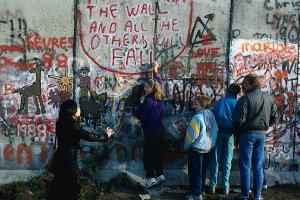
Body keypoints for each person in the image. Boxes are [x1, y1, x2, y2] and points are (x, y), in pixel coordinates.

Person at [48, 100, 114, 200]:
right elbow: (89, 136)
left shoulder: (61, 122)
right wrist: (105, 136)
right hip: (69, 160)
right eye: (77, 107)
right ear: (72, 111)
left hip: (61, 156)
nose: (79, 108)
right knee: (72, 185)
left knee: (60, 183)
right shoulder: (72, 127)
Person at [232, 74, 277, 200]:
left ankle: (245, 195)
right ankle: (258, 196)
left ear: (253, 84)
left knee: (245, 165)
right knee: (258, 166)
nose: (242, 85)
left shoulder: (245, 99)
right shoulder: (269, 98)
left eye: (245, 83)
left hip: (247, 135)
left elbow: (237, 120)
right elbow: (274, 117)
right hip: (261, 135)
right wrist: (265, 126)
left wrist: (238, 133)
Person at [132, 61, 165, 189]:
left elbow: (138, 113)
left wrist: (139, 103)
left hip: (150, 131)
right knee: (157, 152)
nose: (144, 88)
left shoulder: (147, 101)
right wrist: (155, 69)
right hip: (159, 130)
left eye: (146, 87)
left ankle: (151, 178)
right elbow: (158, 80)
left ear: (151, 88)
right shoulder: (159, 96)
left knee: (148, 155)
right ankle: (160, 174)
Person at [183, 95, 218, 200]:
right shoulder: (211, 115)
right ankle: (201, 191)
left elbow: (191, 136)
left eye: (196, 104)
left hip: (197, 150)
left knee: (195, 173)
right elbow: (216, 130)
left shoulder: (197, 118)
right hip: (207, 149)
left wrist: (185, 147)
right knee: (202, 172)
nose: (193, 106)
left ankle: (196, 194)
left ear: (203, 106)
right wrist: (212, 145)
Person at [209, 83, 241, 195]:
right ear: (237, 93)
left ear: (228, 91)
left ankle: (212, 185)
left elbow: (213, 116)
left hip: (218, 132)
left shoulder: (221, 101)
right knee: (227, 161)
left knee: (216, 160)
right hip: (230, 135)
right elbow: (239, 121)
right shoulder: (237, 103)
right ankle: (225, 187)